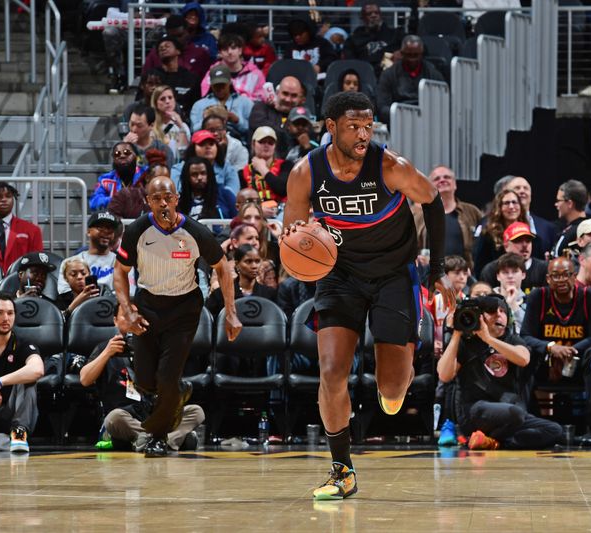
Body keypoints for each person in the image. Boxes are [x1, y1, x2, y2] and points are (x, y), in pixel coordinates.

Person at [282, 91, 455, 499]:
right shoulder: (305, 172)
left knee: (393, 390)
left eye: (368, 126)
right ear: (330, 128)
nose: (363, 135)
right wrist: (298, 245)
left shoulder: (390, 166)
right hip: (339, 274)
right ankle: (342, 469)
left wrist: (436, 272)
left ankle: (391, 382)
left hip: (394, 273)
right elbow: (292, 235)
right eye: (353, 127)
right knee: (331, 371)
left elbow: (432, 202)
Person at [113, 176, 242, 457]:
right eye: (156, 198)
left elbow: (223, 268)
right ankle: (179, 391)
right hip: (147, 305)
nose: (163, 203)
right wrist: (127, 310)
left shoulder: (196, 232)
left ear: (177, 198)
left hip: (184, 308)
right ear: (148, 201)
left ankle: (157, 437)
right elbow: (119, 272)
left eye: (168, 197)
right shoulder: (137, 230)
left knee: (166, 377)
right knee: (146, 381)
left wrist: (231, 313)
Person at [437, 293, 562, 450]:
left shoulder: (512, 339)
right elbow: (444, 374)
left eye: (502, 311)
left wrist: (488, 339)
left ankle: (494, 441)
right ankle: (483, 436)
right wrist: (456, 333)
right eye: (492, 311)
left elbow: (523, 359)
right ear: (480, 316)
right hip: (475, 411)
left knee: (554, 430)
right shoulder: (467, 342)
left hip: (508, 410)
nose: (499, 315)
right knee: (516, 414)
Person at [79, 304, 205, 452]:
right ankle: (168, 439)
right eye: (126, 315)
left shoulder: (153, 349)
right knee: (113, 418)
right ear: (115, 321)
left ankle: (150, 441)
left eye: (136, 315)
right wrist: (107, 353)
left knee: (196, 411)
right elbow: (84, 379)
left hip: (153, 414)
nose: (132, 320)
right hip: (125, 416)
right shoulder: (104, 348)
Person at [521, 257, 591, 385]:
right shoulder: (538, 296)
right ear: (548, 279)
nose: (561, 280)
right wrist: (551, 348)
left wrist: (567, 352)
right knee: (526, 352)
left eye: (566, 275)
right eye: (555, 276)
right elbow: (525, 336)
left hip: (580, 362)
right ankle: (525, 404)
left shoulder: (590, 296)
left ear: (574, 277)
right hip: (546, 362)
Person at [0, 292, 44, 453]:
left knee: (29, 379)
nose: (6, 318)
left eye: (10, 313)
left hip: (13, 409)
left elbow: (37, 369)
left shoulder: (23, 345)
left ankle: (19, 433)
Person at [412, 165, 483, 269]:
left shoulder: (472, 212)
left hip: (464, 276)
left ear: (455, 184)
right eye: (437, 179)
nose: (442, 180)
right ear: (429, 187)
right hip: (430, 277)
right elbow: (410, 247)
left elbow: (482, 244)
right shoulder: (418, 218)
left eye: (447, 177)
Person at [376, 35, 444, 124]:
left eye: (416, 55)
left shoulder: (433, 74)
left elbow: (442, 104)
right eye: (408, 55)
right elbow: (383, 107)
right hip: (398, 122)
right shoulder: (388, 75)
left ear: (422, 53)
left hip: (427, 122)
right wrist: (403, 117)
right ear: (401, 53)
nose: (412, 59)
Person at [57, 211, 122, 297]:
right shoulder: (69, 263)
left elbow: (128, 293)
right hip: (80, 308)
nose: (106, 232)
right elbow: (64, 294)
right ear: (88, 231)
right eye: (100, 228)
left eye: (110, 229)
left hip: (112, 307)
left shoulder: (122, 262)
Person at [0, 181, 43, 274]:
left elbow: (36, 262)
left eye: (8, 196)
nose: (4, 200)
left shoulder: (32, 230)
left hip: (18, 282)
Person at [205, 244, 276, 317]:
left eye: (257, 261)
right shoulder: (220, 294)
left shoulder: (269, 294)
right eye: (248, 261)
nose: (254, 266)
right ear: (237, 264)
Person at [191, 65, 253, 142]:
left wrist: (236, 120)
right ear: (211, 84)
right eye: (216, 85)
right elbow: (194, 132)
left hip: (238, 144)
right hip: (208, 143)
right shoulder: (199, 105)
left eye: (222, 84)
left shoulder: (245, 103)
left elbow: (252, 131)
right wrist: (206, 120)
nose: (219, 88)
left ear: (230, 82)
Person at [479, 221, 548, 293]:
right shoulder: (490, 270)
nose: (525, 245)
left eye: (528, 241)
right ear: (506, 245)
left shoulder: (544, 269)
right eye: (518, 241)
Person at [247, 76, 307, 157]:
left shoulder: (303, 117)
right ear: (277, 92)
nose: (288, 99)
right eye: (285, 94)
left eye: (294, 96)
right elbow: (257, 125)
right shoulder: (261, 107)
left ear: (300, 98)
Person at [199, 33, 266, 103]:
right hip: (219, 110)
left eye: (233, 48)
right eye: (225, 49)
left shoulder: (255, 74)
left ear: (240, 51)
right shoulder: (212, 72)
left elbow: (261, 98)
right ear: (220, 53)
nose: (229, 52)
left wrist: (241, 99)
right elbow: (205, 96)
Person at [171, 130, 240, 195]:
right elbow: (176, 195)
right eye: (202, 144)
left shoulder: (228, 168)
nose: (208, 147)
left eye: (211, 144)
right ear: (193, 148)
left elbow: (232, 193)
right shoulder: (178, 169)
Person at [473, 189, 523, 278]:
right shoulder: (488, 235)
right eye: (507, 203)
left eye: (514, 202)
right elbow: (479, 266)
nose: (511, 206)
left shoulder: (527, 232)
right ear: (499, 207)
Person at [343, 2, 404, 76]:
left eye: (376, 13)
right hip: (366, 75)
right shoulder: (353, 39)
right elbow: (352, 63)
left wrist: (400, 52)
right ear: (362, 18)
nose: (373, 15)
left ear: (381, 16)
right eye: (369, 14)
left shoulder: (395, 34)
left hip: (391, 74)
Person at [141, 15, 211, 79]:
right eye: (172, 37)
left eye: (180, 35)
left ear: (187, 32)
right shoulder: (157, 53)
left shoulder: (200, 54)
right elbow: (145, 77)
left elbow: (207, 80)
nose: (176, 40)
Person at [503, 176, 557, 258]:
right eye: (517, 188)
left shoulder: (548, 227)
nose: (522, 191)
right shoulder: (494, 226)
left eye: (526, 188)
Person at [149, 34, 201, 114]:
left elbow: (197, 105)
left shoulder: (191, 78)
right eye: (160, 48)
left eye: (167, 46)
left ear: (178, 51)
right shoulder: (152, 76)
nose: (163, 48)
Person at [241, 126, 293, 206]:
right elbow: (242, 200)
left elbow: (282, 190)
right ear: (253, 144)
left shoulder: (286, 165)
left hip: (281, 212)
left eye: (270, 142)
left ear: (275, 145)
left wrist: (263, 169)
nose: (266, 145)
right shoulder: (244, 172)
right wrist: (259, 209)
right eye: (262, 142)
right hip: (254, 212)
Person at [108, 152, 169, 219]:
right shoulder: (125, 195)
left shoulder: (169, 201)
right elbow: (112, 217)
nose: (162, 183)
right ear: (147, 178)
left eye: (166, 180)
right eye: (158, 178)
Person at [91, 143, 147, 211]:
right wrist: (118, 199)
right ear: (113, 159)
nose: (122, 156)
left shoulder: (147, 174)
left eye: (127, 152)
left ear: (136, 156)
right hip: (115, 218)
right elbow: (94, 203)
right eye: (117, 154)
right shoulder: (105, 179)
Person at [177, 157, 236, 221]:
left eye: (203, 173)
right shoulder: (180, 201)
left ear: (210, 175)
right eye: (194, 174)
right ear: (187, 177)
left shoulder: (225, 194)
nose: (199, 178)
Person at [124, 104, 175, 169]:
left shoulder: (163, 150)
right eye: (132, 124)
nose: (134, 129)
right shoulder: (122, 147)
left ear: (151, 126)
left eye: (139, 126)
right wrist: (124, 147)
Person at [201, 108, 249, 172]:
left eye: (219, 129)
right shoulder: (198, 146)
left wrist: (222, 152)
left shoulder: (237, 147)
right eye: (211, 130)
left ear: (225, 129)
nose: (216, 133)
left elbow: (241, 171)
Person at [151, 85, 190, 162]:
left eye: (170, 97)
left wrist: (180, 125)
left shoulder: (183, 125)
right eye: (162, 99)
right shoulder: (151, 127)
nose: (167, 101)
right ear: (156, 104)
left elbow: (186, 151)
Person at [552, 179, 589, 258]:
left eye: (558, 200)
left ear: (569, 203)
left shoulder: (583, 231)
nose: (556, 204)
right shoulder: (570, 228)